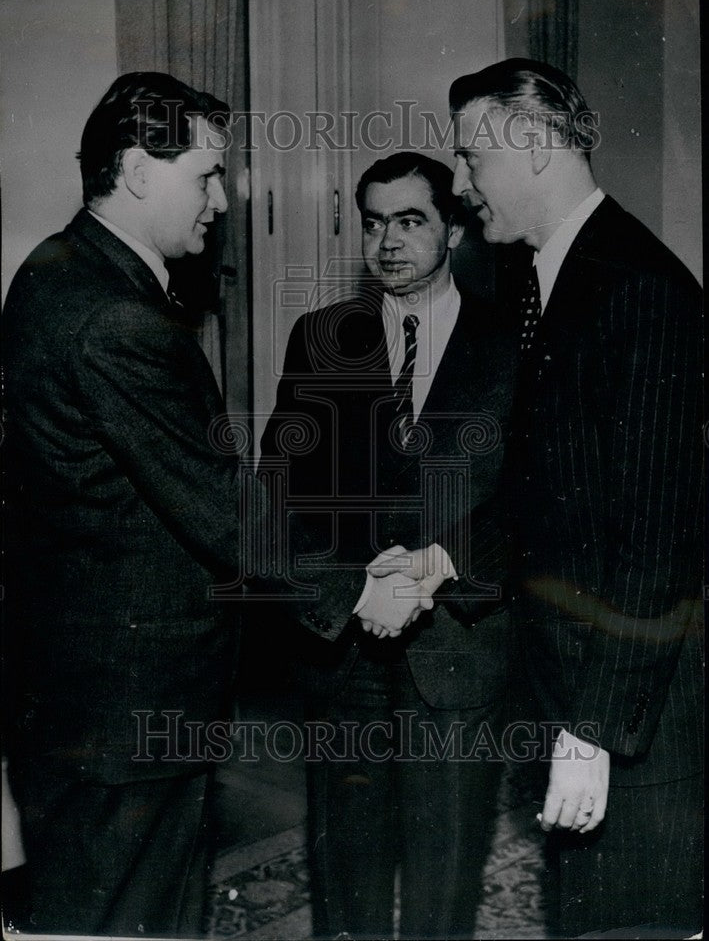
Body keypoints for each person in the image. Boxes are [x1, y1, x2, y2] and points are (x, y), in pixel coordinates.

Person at [2, 72, 272, 936]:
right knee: (131, 912)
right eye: (207, 174)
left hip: (83, 690)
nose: (221, 200)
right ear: (135, 169)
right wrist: (358, 587)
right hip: (127, 708)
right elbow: (219, 506)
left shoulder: (54, 267)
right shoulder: (114, 317)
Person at [438, 58, 702, 937]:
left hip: (637, 713)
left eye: (473, 158)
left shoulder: (642, 291)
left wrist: (590, 735)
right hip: (574, 687)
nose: (464, 186)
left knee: (630, 917)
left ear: (535, 146)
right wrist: (442, 559)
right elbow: (545, 496)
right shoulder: (540, 277)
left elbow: (657, 540)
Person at [259, 152, 515, 940]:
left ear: (456, 228)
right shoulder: (319, 339)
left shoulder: (512, 343)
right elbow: (278, 487)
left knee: (444, 878)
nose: (387, 242)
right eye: (373, 223)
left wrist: (439, 568)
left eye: (410, 221)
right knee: (348, 875)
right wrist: (346, 587)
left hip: (457, 647)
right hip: (346, 650)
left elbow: (537, 499)